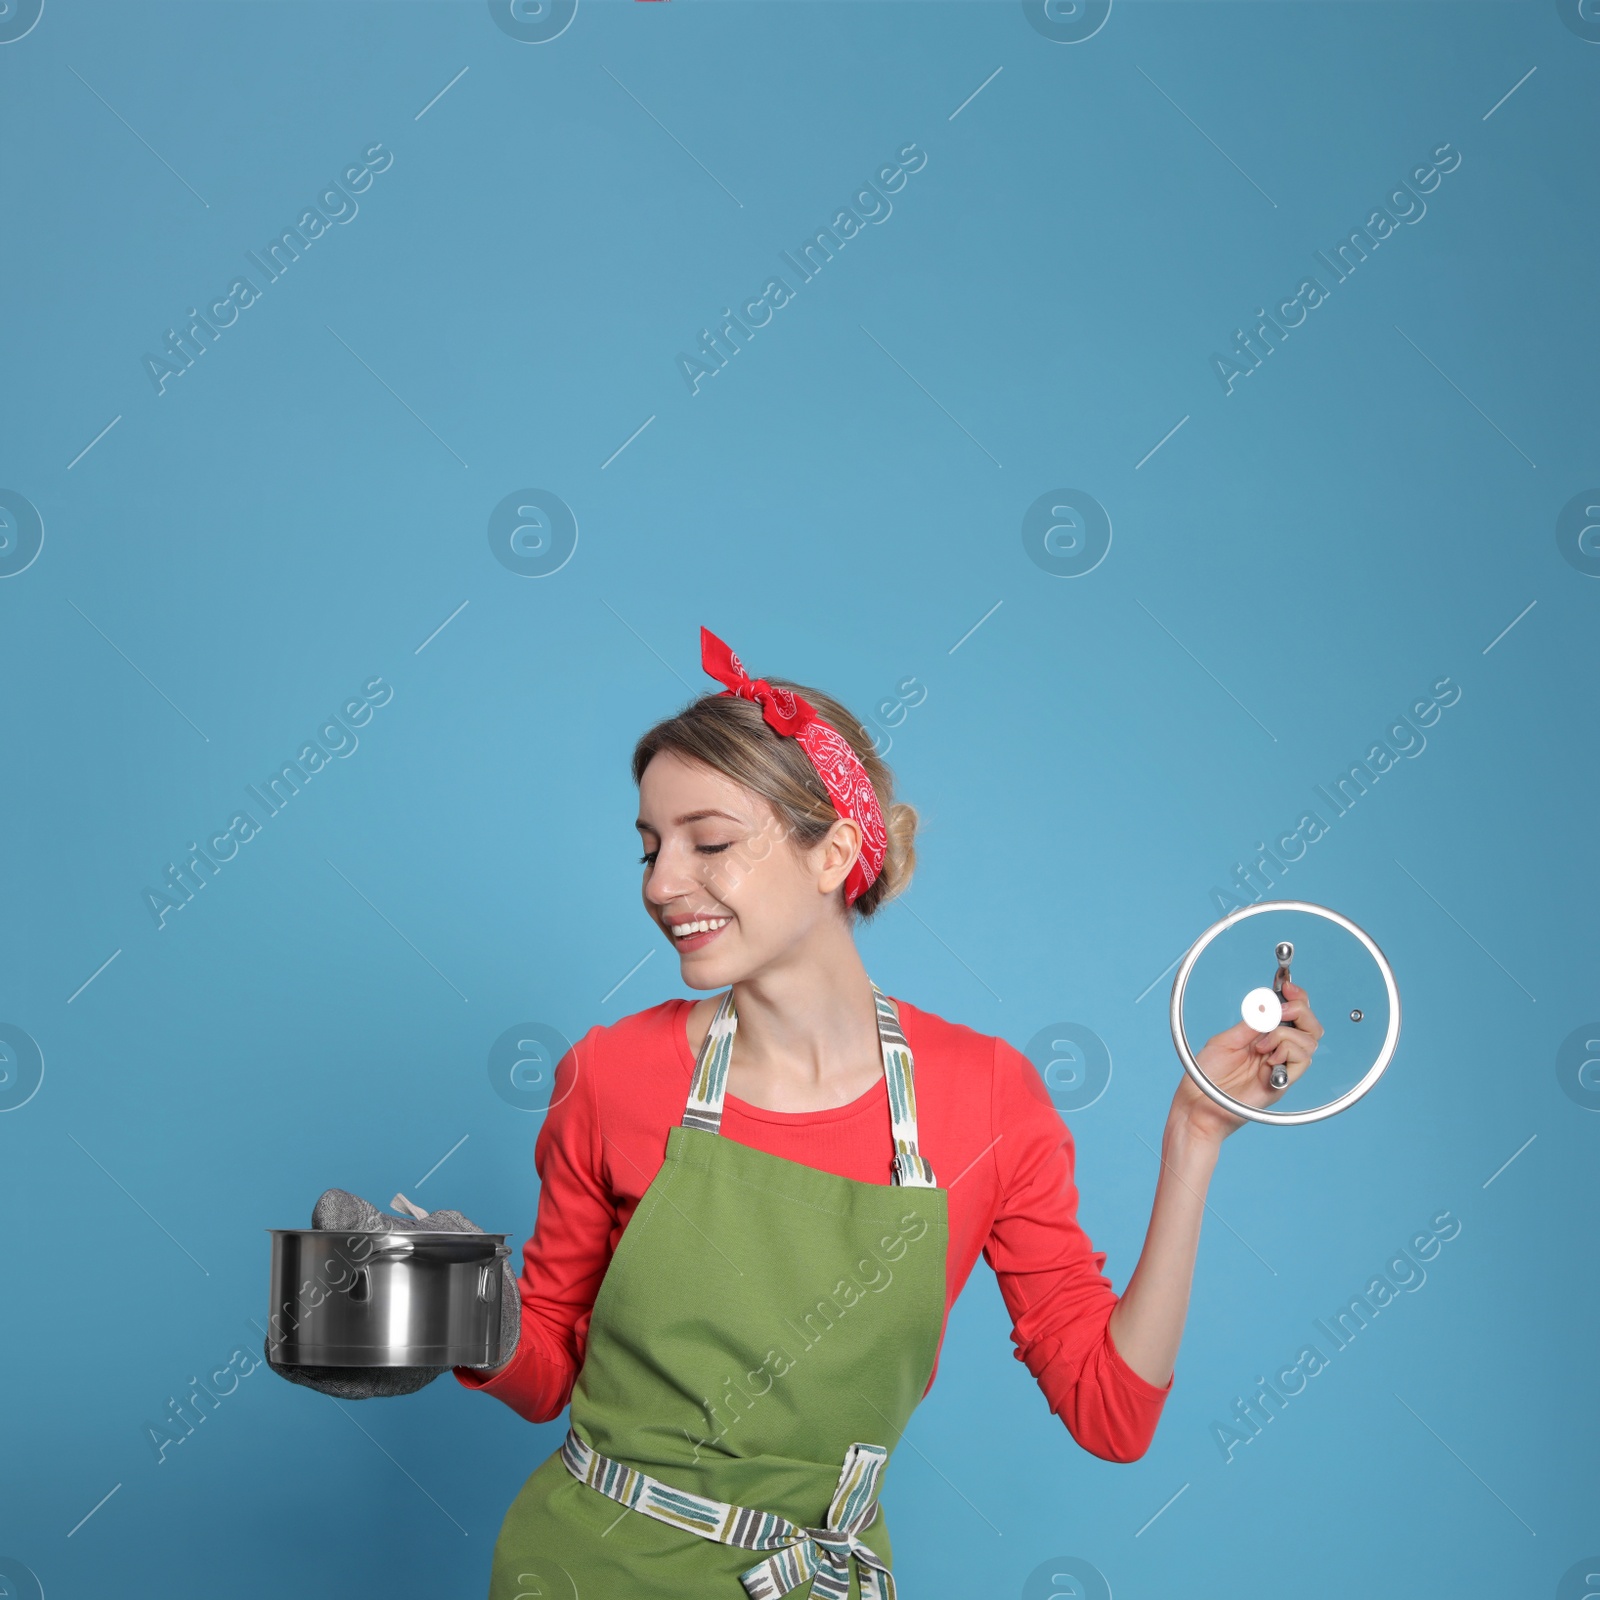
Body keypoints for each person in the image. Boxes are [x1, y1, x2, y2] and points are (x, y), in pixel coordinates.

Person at [273, 625, 1323, 1599]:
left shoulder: (988, 1098)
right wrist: (462, 1317)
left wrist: (1194, 1137)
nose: (661, 881)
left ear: (833, 856)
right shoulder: (611, 1074)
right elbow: (553, 1370)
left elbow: (1110, 1411)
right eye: (648, 845)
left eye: (708, 840)